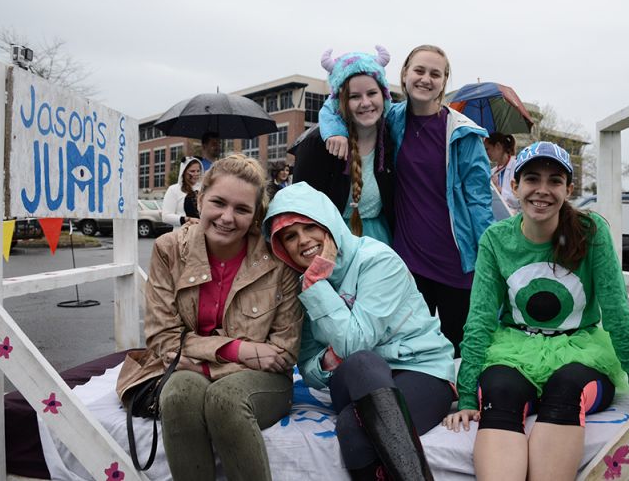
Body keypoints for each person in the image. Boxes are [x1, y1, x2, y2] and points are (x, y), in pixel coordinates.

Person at [443, 142, 629, 481]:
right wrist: (468, 393)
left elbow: (617, 314)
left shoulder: (591, 233)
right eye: (532, 179)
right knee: (500, 392)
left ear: (568, 189)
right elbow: (481, 317)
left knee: (566, 388)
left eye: (554, 180)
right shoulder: (496, 239)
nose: (542, 190)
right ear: (514, 186)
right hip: (515, 347)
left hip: (580, 350)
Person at [116, 154, 303, 481]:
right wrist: (237, 350)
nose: (227, 218)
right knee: (178, 394)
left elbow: (283, 353)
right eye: (218, 202)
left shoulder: (276, 258)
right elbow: (163, 339)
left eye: (242, 209)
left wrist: (201, 361)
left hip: (264, 382)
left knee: (226, 400)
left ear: (255, 215)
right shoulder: (168, 250)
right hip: (199, 368)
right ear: (199, 200)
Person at [264, 182, 455, 481]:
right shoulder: (299, 285)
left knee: (352, 432)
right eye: (290, 236)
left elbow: (354, 343)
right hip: (352, 383)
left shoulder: (377, 260)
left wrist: (317, 286)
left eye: (310, 227)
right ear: (281, 248)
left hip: (420, 369)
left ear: (328, 221)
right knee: (362, 363)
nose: (303, 241)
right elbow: (310, 368)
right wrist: (329, 360)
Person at [320, 44, 492, 356]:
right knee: (412, 352)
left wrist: (489, 261)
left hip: (458, 263)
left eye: (435, 74)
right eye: (419, 71)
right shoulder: (392, 120)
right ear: (404, 75)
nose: (426, 79)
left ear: (444, 81)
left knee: (462, 350)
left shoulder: (463, 134)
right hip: (408, 263)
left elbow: (480, 204)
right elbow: (336, 106)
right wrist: (336, 133)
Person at [292, 46, 395, 245]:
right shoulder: (317, 144)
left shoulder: (391, 137)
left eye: (372, 93)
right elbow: (301, 209)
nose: (366, 103)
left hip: (382, 242)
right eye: (355, 96)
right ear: (340, 101)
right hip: (332, 243)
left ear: (384, 95)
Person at [484, 132, 520, 213]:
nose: (485, 153)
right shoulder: (492, 172)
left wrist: (499, 190)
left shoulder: (517, 166)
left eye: (487, 149)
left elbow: (520, 200)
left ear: (498, 146)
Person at [162, 157, 202, 228]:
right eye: (192, 171)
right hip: (181, 234)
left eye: (198, 171)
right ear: (184, 172)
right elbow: (165, 216)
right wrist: (188, 219)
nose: (196, 174)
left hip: (201, 234)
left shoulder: (203, 188)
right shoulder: (174, 189)